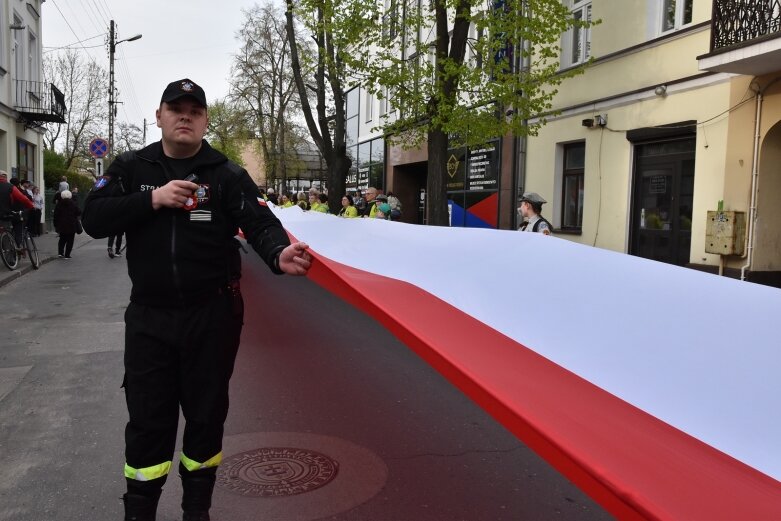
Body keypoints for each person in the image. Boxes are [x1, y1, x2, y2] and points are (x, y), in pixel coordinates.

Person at [81, 78, 312, 521]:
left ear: (205, 120)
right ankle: (139, 511)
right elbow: (93, 218)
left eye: (195, 110)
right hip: (150, 317)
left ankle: (196, 510)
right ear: (160, 116)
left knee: (206, 416)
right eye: (176, 108)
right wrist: (152, 199)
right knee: (149, 419)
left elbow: (260, 222)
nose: (185, 115)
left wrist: (278, 252)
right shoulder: (132, 167)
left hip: (213, 316)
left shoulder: (225, 173)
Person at [0, 171, 34, 248]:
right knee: (6, 236)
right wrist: (31, 206)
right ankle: (10, 258)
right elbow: (23, 198)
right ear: (5, 177)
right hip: (5, 214)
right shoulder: (10, 187)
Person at [52, 190, 81, 258]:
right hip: (71, 224)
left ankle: (60, 253)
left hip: (62, 225)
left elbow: (55, 215)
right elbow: (79, 212)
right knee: (70, 240)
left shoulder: (59, 204)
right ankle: (67, 255)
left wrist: (56, 225)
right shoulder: (73, 204)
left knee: (62, 239)